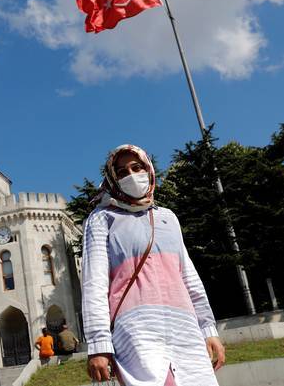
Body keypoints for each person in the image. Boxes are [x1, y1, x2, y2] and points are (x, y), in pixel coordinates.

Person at [82, 144, 225, 386]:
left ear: (148, 170)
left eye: (136, 167)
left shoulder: (167, 217)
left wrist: (209, 329)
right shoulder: (101, 219)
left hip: (183, 327)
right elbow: (94, 284)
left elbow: (188, 276)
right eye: (122, 171)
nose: (131, 175)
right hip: (137, 330)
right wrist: (98, 345)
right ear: (113, 178)